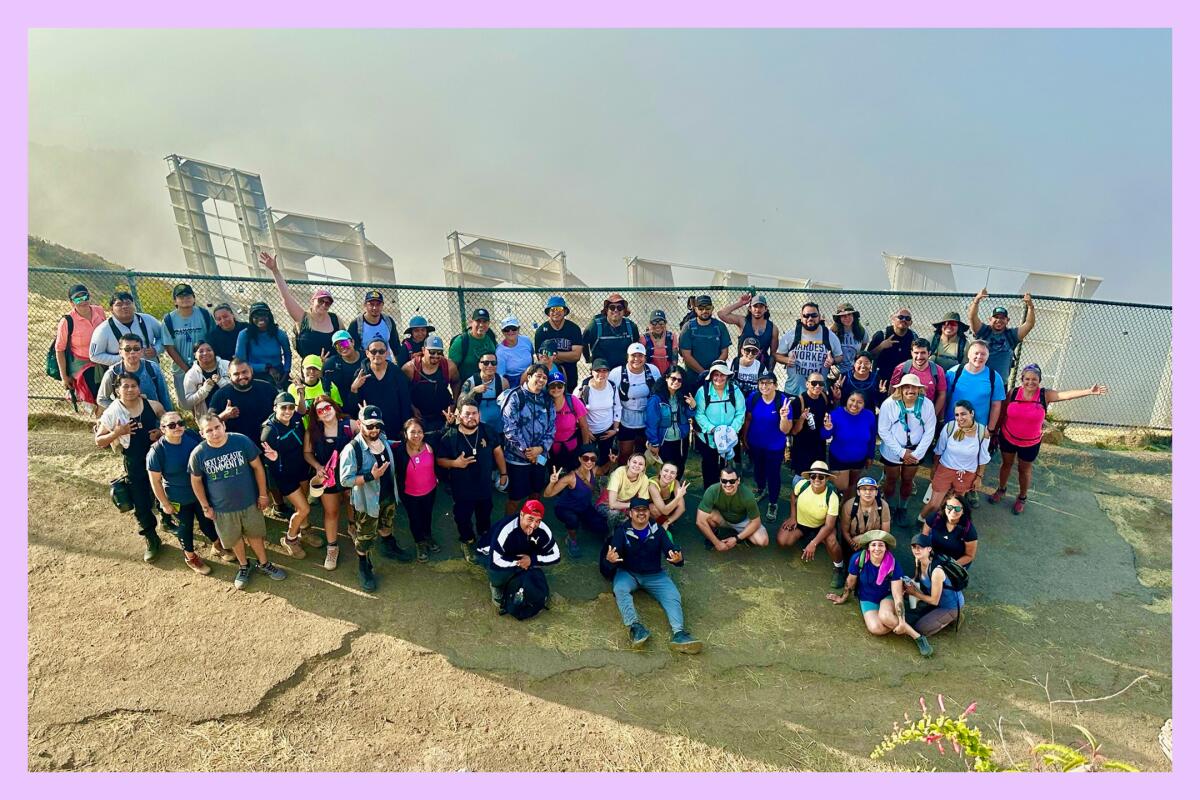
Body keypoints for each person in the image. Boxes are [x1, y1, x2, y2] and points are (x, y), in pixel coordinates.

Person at [989, 365, 1109, 514]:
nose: (1030, 382)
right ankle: (1001, 490)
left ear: (1039, 380)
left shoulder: (1044, 395)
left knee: (1024, 469)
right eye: (1027, 379)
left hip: (1030, 443)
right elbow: (1002, 413)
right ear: (1022, 379)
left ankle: (1021, 498)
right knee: (1006, 464)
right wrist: (994, 432)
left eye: (1034, 379)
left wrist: (1089, 392)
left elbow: (1066, 395)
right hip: (1008, 437)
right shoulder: (1013, 393)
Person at [188, 411, 287, 590]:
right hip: (222, 509)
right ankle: (243, 565)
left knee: (255, 534)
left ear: (224, 425)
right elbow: (196, 481)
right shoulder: (199, 453)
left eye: (217, 427)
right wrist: (205, 506)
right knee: (234, 539)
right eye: (208, 430)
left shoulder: (241, 441)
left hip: (249, 503)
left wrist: (263, 494)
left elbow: (258, 467)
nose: (215, 433)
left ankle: (264, 563)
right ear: (202, 433)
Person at [604, 498, 702, 653]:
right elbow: (612, 558)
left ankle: (679, 634)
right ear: (630, 513)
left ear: (649, 513)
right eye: (637, 510)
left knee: (673, 595)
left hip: (655, 575)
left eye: (644, 510)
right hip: (629, 573)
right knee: (619, 589)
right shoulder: (621, 531)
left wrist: (678, 559)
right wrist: (610, 561)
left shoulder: (658, 530)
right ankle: (635, 627)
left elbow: (672, 552)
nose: (641, 513)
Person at [339, 405, 414, 591]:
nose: (374, 429)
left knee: (386, 524)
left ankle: (389, 546)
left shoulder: (382, 438)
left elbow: (393, 444)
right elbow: (344, 480)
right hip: (367, 502)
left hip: (388, 495)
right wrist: (370, 477)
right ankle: (363, 565)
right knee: (364, 536)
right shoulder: (352, 449)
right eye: (369, 425)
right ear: (359, 424)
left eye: (377, 425)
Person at [827, 529, 933, 658]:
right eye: (873, 545)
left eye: (881, 545)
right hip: (867, 598)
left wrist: (901, 620)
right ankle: (903, 622)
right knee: (876, 629)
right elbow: (850, 581)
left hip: (886, 596)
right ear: (868, 547)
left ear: (886, 548)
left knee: (885, 617)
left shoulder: (893, 564)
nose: (877, 548)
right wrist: (843, 598)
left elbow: (897, 594)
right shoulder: (858, 559)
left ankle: (917, 637)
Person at [96, 373, 166, 561]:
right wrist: (117, 432)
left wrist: (161, 431)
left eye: (133, 385)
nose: (129, 389)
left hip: (158, 458)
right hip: (134, 461)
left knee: (165, 491)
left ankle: (168, 520)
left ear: (139, 388)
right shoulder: (112, 413)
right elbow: (99, 441)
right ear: (117, 390)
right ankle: (151, 537)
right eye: (125, 386)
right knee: (140, 499)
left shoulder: (153, 406)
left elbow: (169, 421)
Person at [147, 411, 227, 573]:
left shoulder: (191, 436)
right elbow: (155, 481)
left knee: (208, 521)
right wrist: (165, 503)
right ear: (163, 429)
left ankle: (218, 545)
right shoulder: (157, 451)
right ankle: (190, 557)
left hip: (201, 492)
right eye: (171, 425)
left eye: (180, 423)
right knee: (185, 527)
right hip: (178, 497)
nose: (177, 427)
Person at [436, 399, 505, 563]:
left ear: (479, 414)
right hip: (461, 489)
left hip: (484, 487)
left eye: (474, 413)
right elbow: (439, 460)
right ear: (459, 415)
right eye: (467, 414)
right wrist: (455, 463)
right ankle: (467, 541)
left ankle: (484, 538)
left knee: (485, 515)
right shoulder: (451, 436)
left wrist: (503, 473)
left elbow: (498, 453)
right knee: (462, 517)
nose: (471, 417)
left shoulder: (487, 431)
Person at [944, 341, 1006, 506]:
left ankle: (972, 490)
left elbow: (996, 405)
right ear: (968, 355)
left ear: (988, 356)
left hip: (979, 428)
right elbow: (944, 397)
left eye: (983, 354)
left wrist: (991, 429)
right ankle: (948, 487)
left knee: (977, 458)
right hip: (953, 426)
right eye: (976, 353)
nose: (979, 357)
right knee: (951, 456)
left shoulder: (994, 377)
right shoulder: (954, 373)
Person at [303, 396, 359, 571]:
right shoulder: (312, 432)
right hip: (327, 478)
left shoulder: (350, 425)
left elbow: (364, 441)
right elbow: (307, 452)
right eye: (320, 411)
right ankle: (332, 547)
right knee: (331, 511)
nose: (325, 412)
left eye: (328, 407)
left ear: (334, 408)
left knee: (352, 501)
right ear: (317, 416)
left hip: (349, 474)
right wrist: (317, 466)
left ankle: (352, 527)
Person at [260, 392, 315, 559]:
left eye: (291, 407)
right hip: (284, 476)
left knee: (303, 505)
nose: (288, 411)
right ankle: (290, 539)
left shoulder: (297, 419)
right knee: (304, 508)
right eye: (283, 407)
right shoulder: (269, 432)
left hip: (301, 469)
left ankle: (304, 531)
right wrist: (276, 459)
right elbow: (268, 464)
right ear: (275, 408)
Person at [877, 374, 937, 525]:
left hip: (915, 450)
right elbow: (883, 430)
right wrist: (901, 452)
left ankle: (902, 508)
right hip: (893, 450)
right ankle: (889, 507)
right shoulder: (889, 404)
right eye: (907, 387)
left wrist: (917, 454)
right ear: (901, 389)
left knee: (908, 480)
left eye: (914, 387)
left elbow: (930, 431)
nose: (911, 390)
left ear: (919, 389)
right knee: (891, 479)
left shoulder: (927, 405)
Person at [259, 251, 340, 359]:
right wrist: (275, 270)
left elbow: (344, 340)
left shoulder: (335, 319)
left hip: (332, 368)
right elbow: (286, 296)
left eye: (328, 302)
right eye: (321, 301)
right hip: (310, 370)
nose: (324, 305)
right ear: (313, 301)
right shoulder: (303, 318)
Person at [484, 499, 561, 611]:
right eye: (530, 519)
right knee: (495, 571)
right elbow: (495, 561)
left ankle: (524, 578)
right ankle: (496, 585)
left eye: (538, 521)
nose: (533, 525)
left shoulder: (543, 529)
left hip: (524, 556)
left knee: (530, 568)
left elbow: (556, 555)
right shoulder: (505, 530)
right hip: (493, 554)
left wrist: (532, 560)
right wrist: (519, 563)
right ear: (521, 514)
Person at [500, 364, 556, 516]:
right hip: (517, 459)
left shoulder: (547, 399)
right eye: (538, 376)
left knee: (536, 493)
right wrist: (527, 451)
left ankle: (531, 522)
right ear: (529, 377)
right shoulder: (516, 396)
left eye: (544, 377)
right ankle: (508, 525)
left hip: (540, 458)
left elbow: (552, 428)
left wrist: (540, 449)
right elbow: (509, 428)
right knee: (515, 498)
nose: (541, 380)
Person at [544, 444, 617, 557]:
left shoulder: (594, 470)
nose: (589, 462)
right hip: (565, 508)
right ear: (579, 459)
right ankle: (571, 539)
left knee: (601, 526)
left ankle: (583, 523)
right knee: (573, 520)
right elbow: (547, 494)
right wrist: (552, 482)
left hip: (583, 507)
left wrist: (611, 462)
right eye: (585, 458)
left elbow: (603, 471)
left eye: (593, 459)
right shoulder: (571, 477)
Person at [778, 461, 845, 587]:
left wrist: (813, 544)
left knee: (831, 540)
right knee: (783, 541)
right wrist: (793, 517)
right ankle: (806, 537)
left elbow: (829, 525)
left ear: (827, 478)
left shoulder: (832, 496)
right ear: (810, 477)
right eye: (813, 476)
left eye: (821, 477)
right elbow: (793, 496)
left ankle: (839, 567)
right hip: (802, 523)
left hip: (822, 525)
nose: (817, 479)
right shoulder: (802, 485)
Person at [921, 400, 990, 519]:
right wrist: (934, 469)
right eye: (957, 415)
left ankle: (942, 526)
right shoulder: (950, 427)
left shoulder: (982, 432)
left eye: (963, 414)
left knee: (955, 504)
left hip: (967, 474)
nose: (959, 418)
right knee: (934, 504)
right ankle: (922, 520)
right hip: (945, 469)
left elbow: (983, 458)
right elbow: (939, 451)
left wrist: (978, 477)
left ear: (972, 413)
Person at [54, 283, 108, 412]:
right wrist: (64, 377)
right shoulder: (67, 321)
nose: (83, 301)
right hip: (82, 363)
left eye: (85, 297)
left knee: (112, 391)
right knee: (96, 395)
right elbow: (60, 349)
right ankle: (100, 425)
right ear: (72, 303)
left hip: (102, 358)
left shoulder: (99, 311)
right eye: (78, 299)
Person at [743, 372, 790, 521]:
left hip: (775, 446)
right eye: (761, 383)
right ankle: (761, 489)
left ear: (775, 385)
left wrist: (783, 417)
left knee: (773, 474)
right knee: (758, 469)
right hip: (756, 442)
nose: (765, 386)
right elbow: (748, 418)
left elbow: (785, 430)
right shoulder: (754, 397)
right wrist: (744, 437)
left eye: (768, 383)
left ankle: (773, 502)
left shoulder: (782, 401)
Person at [692, 363, 746, 489]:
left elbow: (740, 412)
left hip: (729, 438)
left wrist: (732, 430)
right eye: (716, 375)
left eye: (722, 375)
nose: (719, 378)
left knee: (727, 469)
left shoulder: (735, 391)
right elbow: (699, 414)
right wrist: (714, 430)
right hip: (708, 438)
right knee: (709, 467)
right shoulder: (703, 392)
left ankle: (725, 493)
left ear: (728, 376)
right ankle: (709, 494)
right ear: (711, 376)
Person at [393, 419, 440, 563]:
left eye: (419, 432)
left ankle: (428, 536)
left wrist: (450, 423)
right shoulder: (399, 451)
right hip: (409, 494)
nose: (416, 435)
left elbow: (446, 435)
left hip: (430, 490)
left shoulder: (430, 445)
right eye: (412, 432)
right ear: (405, 434)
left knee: (427, 515)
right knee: (415, 518)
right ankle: (420, 543)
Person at [161, 282, 215, 404]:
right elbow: (169, 347)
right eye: (181, 297)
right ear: (175, 301)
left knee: (209, 397)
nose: (185, 299)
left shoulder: (204, 314)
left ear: (194, 298)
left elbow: (212, 339)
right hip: (181, 368)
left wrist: (205, 364)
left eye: (188, 296)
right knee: (188, 401)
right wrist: (187, 369)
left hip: (205, 364)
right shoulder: (169, 320)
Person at [968, 289, 1036, 384]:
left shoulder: (1011, 335)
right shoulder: (983, 331)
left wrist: (1030, 306)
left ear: (1007, 320)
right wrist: (976, 300)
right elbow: (972, 317)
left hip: (1000, 383)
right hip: (979, 380)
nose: (999, 320)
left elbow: (1029, 324)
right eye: (996, 317)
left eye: (1002, 318)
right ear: (990, 319)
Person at [351, 336, 414, 437]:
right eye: (373, 351)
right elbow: (354, 405)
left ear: (387, 353)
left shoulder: (397, 373)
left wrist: (405, 426)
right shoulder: (361, 374)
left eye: (381, 351)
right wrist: (354, 389)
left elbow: (405, 401)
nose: (377, 354)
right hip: (371, 428)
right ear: (367, 353)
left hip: (395, 427)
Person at [905, 532, 965, 637]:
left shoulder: (937, 571)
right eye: (914, 547)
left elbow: (934, 600)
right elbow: (917, 578)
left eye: (920, 547)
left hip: (949, 606)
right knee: (907, 597)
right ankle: (933, 614)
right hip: (935, 598)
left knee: (921, 629)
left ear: (929, 549)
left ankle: (954, 617)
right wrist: (907, 583)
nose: (916, 550)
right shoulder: (918, 559)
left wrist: (914, 593)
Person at [610, 343, 662, 462]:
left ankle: (639, 477)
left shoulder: (653, 370)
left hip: (647, 417)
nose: (637, 359)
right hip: (626, 418)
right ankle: (622, 476)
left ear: (645, 357)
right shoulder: (617, 373)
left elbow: (660, 391)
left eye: (640, 355)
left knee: (641, 452)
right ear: (627, 357)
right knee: (625, 453)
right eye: (633, 355)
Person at [777, 301, 842, 395]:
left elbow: (840, 356)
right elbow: (777, 355)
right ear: (801, 317)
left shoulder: (829, 336)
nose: (810, 318)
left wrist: (833, 361)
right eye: (806, 316)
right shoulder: (791, 335)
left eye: (814, 315)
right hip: (794, 391)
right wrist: (786, 360)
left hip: (818, 392)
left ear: (819, 317)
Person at [695, 465, 767, 550]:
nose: (728, 484)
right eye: (724, 481)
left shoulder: (747, 495)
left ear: (738, 481)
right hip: (722, 518)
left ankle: (742, 536)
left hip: (742, 521)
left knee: (763, 541)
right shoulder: (712, 490)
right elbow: (699, 521)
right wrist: (717, 543)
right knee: (705, 516)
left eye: (732, 481)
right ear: (720, 480)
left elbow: (756, 522)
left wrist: (736, 539)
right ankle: (713, 535)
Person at [96, 333, 173, 411]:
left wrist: (168, 418)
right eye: (127, 349)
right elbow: (102, 399)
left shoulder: (152, 369)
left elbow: (164, 396)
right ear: (120, 352)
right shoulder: (113, 373)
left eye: (136, 349)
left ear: (142, 351)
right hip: (126, 420)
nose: (132, 352)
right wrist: (121, 409)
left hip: (153, 417)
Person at [88, 290, 164, 368]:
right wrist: (121, 358)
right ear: (111, 309)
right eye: (119, 304)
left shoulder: (148, 319)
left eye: (128, 303)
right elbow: (94, 355)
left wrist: (156, 350)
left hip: (150, 369)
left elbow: (164, 337)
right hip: (122, 374)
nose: (124, 307)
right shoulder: (103, 330)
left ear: (133, 305)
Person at [821, 390, 877, 496]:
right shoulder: (836, 414)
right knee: (840, 489)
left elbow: (872, 437)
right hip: (839, 459)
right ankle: (834, 510)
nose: (855, 404)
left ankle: (846, 511)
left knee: (852, 488)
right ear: (847, 400)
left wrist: (870, 456)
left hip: (859, 459)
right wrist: (827, 429)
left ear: (864, 404)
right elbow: (824, 436)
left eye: (859, 402)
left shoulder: (869, 416)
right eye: (852, 400)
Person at [208, 359, 278, 442]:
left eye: (244, 372)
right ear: (229, 375)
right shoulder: (221, 395)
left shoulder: (267, 388)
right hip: (238, 445)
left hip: (268, 441)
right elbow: (209, 423)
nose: (241, 376)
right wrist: (225, 415)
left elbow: (284, 410)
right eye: (236, 374)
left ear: (251, 371)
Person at [531, 296, 585, 393]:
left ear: (564, 311)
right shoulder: (541, 331)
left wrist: (552, 354)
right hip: (549, 370)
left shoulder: (573, 329)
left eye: (559, 308)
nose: (556, 312)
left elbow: (576, 356)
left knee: (569, 397)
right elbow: (542, 358)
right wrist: (567, 355)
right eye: (552, 309)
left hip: (570, 371)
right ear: (548, 312)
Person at [403, 336, 455, 435]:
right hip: (419, 416)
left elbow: (456, 382)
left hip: (441, 416)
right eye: (432, 352)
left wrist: (453, 403)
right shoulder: (410, 368)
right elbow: (402, 392)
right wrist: (412, 408)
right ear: (423, 350)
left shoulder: (449, 366)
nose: (435, 355)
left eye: (439, 352)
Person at [679, 294, 732, 392]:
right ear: (695, 309)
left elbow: (724, 352)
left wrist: (713, 371)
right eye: (701, 308)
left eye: (708, 308)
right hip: (693, 377)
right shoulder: (688, 327)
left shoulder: (720, 326)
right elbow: (686, 355)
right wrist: (703, 372)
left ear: (712, 309)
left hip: (716, 378)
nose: (704, 311)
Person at [645, 366, 695, 469]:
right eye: (673, 378)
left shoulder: (682, 396)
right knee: (665, 469)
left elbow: (688, 415)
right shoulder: (656, 399)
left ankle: (677, 485)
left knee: (680, 467)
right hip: (664, 440)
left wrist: (692, 406)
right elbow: (651, 423)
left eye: (680, 380)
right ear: (666, 378)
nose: (676, 382)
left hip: (681, 438)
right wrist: (654, 443)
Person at [785, 372, 831, 481]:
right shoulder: (798, 402)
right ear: (807, 384)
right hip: (802, 447)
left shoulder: (824, 397)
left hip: (819, 445)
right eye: (814, 383)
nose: (817, 386)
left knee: (817, 475)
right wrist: (801, 419)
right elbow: (794, 431)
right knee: (800, 477)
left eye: (821, 383)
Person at [234, 302, 291, 388]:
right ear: (251, 318)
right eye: (256, 316)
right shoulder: (244, 335)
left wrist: (286, 373)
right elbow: (240, 362)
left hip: (277, 373)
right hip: (253, 373)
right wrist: (266, 368)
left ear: (269, 316)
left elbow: (288, 354)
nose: (260, 318)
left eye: (264, 314)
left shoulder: (279, 334)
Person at [889, 338, 948, 422]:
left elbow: (942, 395)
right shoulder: (901, 369)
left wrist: (932, 416)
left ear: (929, 353)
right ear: (911, 353)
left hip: (926, 416)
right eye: (916, 353)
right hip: (903, 415)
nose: (919, 357)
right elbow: (892, 392)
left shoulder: (937, 371)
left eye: (923, 353)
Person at [576, 359, 622, 465]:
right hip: (589, 432)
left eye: (605, 371)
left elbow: (618, 408)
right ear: (591, 371)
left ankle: (603, 480)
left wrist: (615, 429)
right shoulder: (583, 387)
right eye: (598, 371)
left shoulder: (612, 386)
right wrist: (585, 431)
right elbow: (575, 412)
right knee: (587, 460)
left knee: (605, 459)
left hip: (607, 431)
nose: (601, 374)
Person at [718, 292, 778, 370]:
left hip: (760, 368)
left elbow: (773, 354)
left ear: (766, 309)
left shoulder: (773, 328)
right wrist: (740, 303)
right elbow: (721, 314)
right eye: (755, 306)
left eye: (761, 307)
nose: (757, 310)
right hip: (741, 367)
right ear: (750, 308)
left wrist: (769, 373)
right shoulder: (743, 322)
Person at [920, 493, 978, 568]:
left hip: (954, 561)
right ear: (945, 507)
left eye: (957, 509)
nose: (953, 511)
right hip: (934, 554)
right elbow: (924, 537)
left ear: (963, 511)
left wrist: (949, 565)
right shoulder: (934, 518)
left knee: (939, 577)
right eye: (950, 507)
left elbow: (969, 556)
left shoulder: (968, 530)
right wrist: (925, 554)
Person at [346, 289, 404, 365]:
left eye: (378, 304)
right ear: (365, 305)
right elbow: (353, 349)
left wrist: (400, 366)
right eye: (371, 304)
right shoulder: (356, 324)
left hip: (387, 365)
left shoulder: (388, 321)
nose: (375, 308)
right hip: (367, 366)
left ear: (382, 305)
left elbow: (395, 346)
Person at [459, 352, 508, 440]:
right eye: (486, 363)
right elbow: (460, 404)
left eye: (493, 363)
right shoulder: (471, 382)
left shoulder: (503, 382)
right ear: (479, 365)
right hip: (478, 428)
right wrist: (473, 391)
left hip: (498, 428)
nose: (490, 366)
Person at [584, 293, 640, 370]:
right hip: (602, 371)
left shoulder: (631, 326)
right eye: (612, 307)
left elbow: (636, 346)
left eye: (619, 308)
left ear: (624, 311)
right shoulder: (595, 326)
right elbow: (583, 343)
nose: (616, 310)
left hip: (624, 371)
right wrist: (588, 359)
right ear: (607, 310)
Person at [546, 369, 588, 471]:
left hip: (571, 446)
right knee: (554, 475)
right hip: (551, 448)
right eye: (552, 386)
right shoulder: (544, 403)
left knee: (572, 474)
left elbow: (584, 426)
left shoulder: (572, 400)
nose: (556, 389)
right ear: (547, 388)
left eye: (559, 386)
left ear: (564, 387)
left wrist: (586, 449)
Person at [600, 452, 652, 530]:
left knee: (641, 515)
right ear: (628, 462)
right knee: (614, 513)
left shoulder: (644, 478)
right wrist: (633, 505)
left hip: (625, 506)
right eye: (634, 462)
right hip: (605, 504)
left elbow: (642, 501)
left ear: (644, 467)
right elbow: (612, 505)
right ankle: (610, 535)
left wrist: (636, 509)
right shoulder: (619, 472)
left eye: (641, 464)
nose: (637, 465)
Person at [867, 307, 916, 387]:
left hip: (903, 380)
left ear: (911, 322)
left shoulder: (913, 337)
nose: (904, 320)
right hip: (881, 379)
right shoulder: (882, 335)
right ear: (893, 319)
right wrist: (881, 346)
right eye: (900, 317)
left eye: (907, 318)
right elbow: (868, 356)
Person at [840, 476, 891, 551]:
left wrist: (867, 540)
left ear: (876, 492)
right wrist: (852, 543)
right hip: (853, 540)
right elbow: (845, 530)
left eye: (872, 489)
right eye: (864, 489)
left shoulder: (883, 506)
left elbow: (885, 532)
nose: (868, 492)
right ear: (858, 492)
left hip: (875, 540)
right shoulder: (849, 505)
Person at [448, 308, 498, 384]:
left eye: (484, 321)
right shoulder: (461, 341)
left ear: (488, 323)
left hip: (488, 383)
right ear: (471, 322)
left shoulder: (490, 337)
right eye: (478, 321)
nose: (481, 325)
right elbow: (452, 370)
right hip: (466, 385)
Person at [322, 330, 364, 418]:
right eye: (338, 345)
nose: (342, 347)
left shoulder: (365, 359)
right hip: (345, 408)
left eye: (344, 343)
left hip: (366, 402)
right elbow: (325, 386)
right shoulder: (332, 363)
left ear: (352, 342)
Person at [182, 341, 231, 417]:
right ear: (195, 355)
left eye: (209, 350)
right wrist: (204, 390)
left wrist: (221, 382)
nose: (205, 353)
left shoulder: (227, 365)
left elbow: (237, 389)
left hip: (231, 412)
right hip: (207, 418)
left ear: (214, 352)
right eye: (201, 351)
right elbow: (189, 401)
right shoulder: (191, 374)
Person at [289, 354, 343, 420]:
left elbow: (338, 409)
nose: (312, 372)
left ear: (320, 370)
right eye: (308, 368)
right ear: (302, 369)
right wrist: (301, 394)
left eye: (315, 369)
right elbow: (299, 413)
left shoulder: (329, 385)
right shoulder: (293, 388)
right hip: (307, 427)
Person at [495, 315, 535, 389]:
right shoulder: (500, 351)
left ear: (518, 329)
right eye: (506, 329)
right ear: (502, 332)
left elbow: (532, 356)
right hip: (513, 380)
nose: (510, 331)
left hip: (531, 375)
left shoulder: (526, 340)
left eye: (513, 328)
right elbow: (501, 377)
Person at [648, 461, 689, 530]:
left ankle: (666, 523)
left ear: (676, 475)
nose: (668, 474)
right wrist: (678, 497)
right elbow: (665, 511)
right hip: (647, 507)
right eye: (666, 471)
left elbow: (682, 508)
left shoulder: (675, 482)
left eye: (672, 473)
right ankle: (657, 525)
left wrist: (667, 522)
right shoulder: (652, 485)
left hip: (663, 506)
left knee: (677, 505)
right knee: (654, 508)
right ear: (660, 472)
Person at [641, 309, 677, 376]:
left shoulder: (671, 337)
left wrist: (671, 374)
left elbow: (674, 359)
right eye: (654, 323)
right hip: (650, 374)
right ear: (649, 324)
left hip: (667, 373)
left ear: (665, 324)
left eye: (661, 323)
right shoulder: (644, 338)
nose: (657, 326)